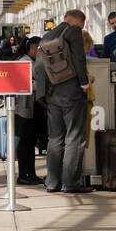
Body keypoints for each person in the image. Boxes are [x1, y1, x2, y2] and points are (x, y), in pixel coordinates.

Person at [35, 10, 93, 193]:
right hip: (71, 94)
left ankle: (52, 183)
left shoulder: (47, 36)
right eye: (82, 26)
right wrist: (84, 83)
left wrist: (43, 94)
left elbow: (39, 67)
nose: (81, 29)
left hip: (52, 95)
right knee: (75, 138)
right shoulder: (73, 31)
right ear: (77, 21)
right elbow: (78, 58)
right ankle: (70, 183)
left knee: (55, 139)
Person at [13, 36, 43, 185]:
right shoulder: (23, 63)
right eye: (39, 49)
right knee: (25, 142)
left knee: (31, 142)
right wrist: (42, 83)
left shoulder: (33, 62)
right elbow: (25, 85)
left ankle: (31, 173)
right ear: (32, 47)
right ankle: (23, 174)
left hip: (34, 108)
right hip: (24, 109)